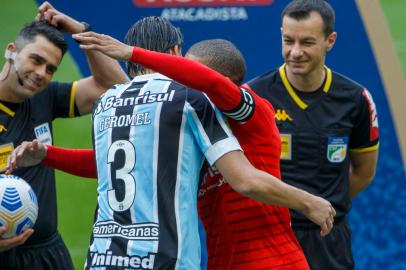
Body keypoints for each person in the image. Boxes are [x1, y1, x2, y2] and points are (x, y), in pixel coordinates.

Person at [7, 16, 336, 269]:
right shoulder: (182, 105)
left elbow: (246, 179)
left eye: (188, 74)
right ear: (174, 53)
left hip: (268, 261)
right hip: (188, 259)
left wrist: (129, 52)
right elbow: (110, 161)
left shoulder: (246, 108)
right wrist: (49, 155)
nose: (185, 80)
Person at [245, 0, 380, 269]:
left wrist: (325, 207)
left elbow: (364, 173)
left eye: (306, 42)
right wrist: (297, 204)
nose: (295, 52)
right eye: (288, 40)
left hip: (329, 239)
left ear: (330, 41)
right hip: (270, 236)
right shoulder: (254, 96)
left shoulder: (356, 99)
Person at [0, 1, 127, 269]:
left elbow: (115, 87)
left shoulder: (44, 97)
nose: (41, 74)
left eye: (50, 68)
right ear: (11, 52)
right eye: (36, 60)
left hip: (50, 255)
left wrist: (82, 31)